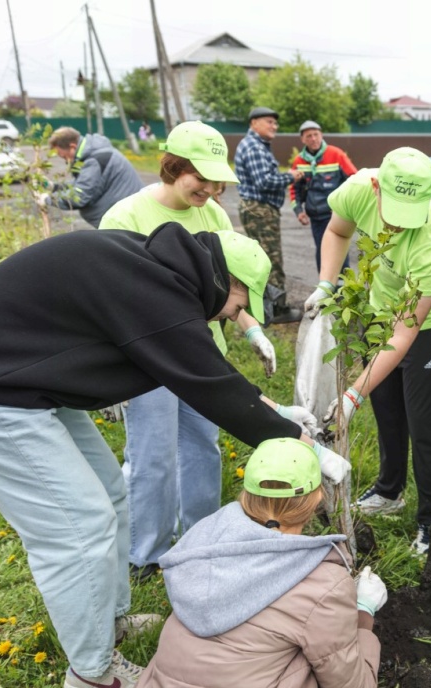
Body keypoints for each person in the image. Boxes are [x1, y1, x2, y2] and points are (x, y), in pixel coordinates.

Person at [0, 224, 351, 688]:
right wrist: (305, 444)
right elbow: (207, 384)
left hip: (17, 379)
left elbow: (201, 367)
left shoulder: (159, 272)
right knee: (77, 528)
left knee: (109, 493)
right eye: (238, 307)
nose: (230, 317)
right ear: (230, 281)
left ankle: (111, 621)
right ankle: (92, 673)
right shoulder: (157, 294)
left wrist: (276, 410)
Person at [99, 121, 314, 581]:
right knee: (152, 454)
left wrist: (252, 328)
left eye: (218, 181)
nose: (212, 189)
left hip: (202, 354)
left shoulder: (212, 215)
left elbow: (229, 281)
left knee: (202, 446)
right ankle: (147, 553)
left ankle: (197, 538)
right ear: (173, 167)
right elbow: (116, 304)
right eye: (202, 178)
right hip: (149, 362)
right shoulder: (125, 218)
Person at [303, 147, 431, 555]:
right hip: (378, 308)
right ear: (376, 187)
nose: (398, 224)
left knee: (425, 419)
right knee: (388, 405)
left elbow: (405, 334)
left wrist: (353, 393)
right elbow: (337, 232)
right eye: (393, 210)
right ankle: (390, 491)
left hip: (427, 324)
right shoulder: (357, 189)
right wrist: (326, 282)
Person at [136, 437, 384, 687]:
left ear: (246, 495)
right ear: (317, 499)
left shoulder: (201, 544)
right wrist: (364, 613)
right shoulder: (323, 586)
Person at [234, 106, 305, 324]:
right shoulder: (254, 147)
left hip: (258, 209)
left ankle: (265, 308)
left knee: (263, 258)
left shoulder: (257, 145)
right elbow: (264, 182)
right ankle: (277, 310)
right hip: (260, 210)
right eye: (269, 122)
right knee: (271, 261)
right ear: (254, 123)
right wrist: (290, 177)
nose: (274, 126)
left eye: (275, 123)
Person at [43, 126, 144, 228]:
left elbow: (80, 196)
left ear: (72, 146)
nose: (66, 161)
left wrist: (48, 199)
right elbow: (82, 183)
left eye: (64, 156)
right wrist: (55, 187)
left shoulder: (94, 160)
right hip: (127, 214)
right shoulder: (95, 151)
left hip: (125, 220)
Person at [290, 120, 357, 272]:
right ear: (302, 139)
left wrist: (344, 206)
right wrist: (298, 211)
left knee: (339, 251)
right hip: (316, 218)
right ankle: (326, 289)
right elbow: (294, 188)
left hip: (336, 215)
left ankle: (343, 289)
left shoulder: (336, 154)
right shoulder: (299, 161)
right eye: (309, 136)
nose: (313, 139)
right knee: (322, 250)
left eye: (316, 135)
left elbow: (355, 180)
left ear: (321, 135)